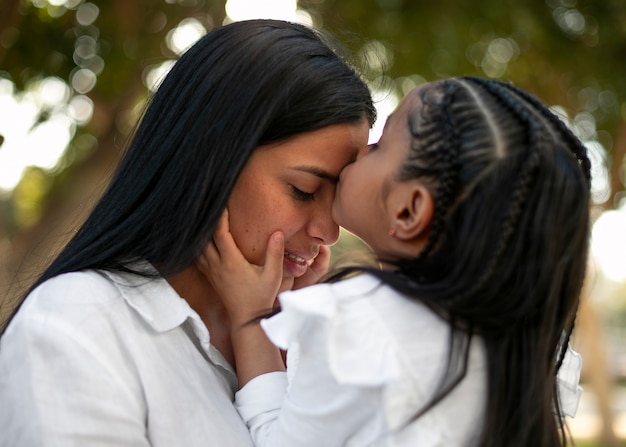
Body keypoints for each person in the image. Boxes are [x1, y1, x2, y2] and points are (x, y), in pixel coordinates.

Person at [0, 19, 375, 446]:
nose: (328, 231)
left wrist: (285, 351)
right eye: (304, 191)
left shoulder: (295, 352)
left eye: (338, 197)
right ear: (212, 160)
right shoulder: (78, 325)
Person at [201, 76, 590, 446]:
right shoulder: (517, 352)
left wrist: (250, 319)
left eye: (380, 146)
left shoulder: (360, 328)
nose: (360, 153)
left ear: (408, 211)